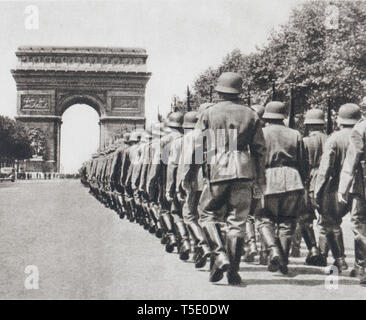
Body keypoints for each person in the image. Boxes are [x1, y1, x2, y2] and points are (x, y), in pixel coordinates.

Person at [195, 72, 266, 285]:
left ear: (218, 91)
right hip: (244, 168)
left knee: (207, 214)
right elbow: (260, 150)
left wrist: (197, 171)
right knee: (238, 221)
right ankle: (233, 272)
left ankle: (219, 254)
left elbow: (199, 146)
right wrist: (260, 179)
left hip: (218, 167)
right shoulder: (251, 114)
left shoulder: (208, 113)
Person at [256, 101, 306, 275]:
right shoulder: (295, 134)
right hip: (293, 179)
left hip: (268, 178)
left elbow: (256, 159)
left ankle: (273, 251)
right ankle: (283, 262)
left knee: (264, 218)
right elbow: (302, 161)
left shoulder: (261, 133)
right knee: (287, 222)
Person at [315, 104, 362, 273]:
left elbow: (325, 168)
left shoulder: (334, 138)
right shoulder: (361, 134)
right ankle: (360, 265)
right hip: (359, 185)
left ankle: (340, 260)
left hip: (335, 187)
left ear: (339, 120)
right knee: (360, 226)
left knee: (331, 223)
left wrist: (318, 191)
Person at [337, 103, 366, 285]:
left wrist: (343, 188)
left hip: (362, 185)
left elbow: (352, 159)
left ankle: (362, 267)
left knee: (360, 224)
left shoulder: (360, 128)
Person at [297, 108, 327, 266]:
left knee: (304, 218)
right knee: (327, 221)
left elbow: (301, 164)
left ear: (308, 125)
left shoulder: (305, 141)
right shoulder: (330, 139)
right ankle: (323, 254)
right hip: (328, 181)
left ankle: (313, 250)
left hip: (309, 181)